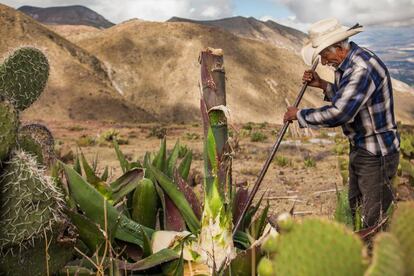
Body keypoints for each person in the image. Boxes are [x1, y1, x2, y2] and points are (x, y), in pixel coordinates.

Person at [283, 18, 400, 229]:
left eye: (324, 54)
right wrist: (323, 85)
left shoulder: (360, 69)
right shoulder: (348, 64)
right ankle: (363, 253)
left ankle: (374, 256)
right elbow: (350, 98)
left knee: (373, 220)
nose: (324, 61)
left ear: (338, 47)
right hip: (363, 147)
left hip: (377, 153)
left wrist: (299, 115)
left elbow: (341, 113)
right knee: (356, 208)